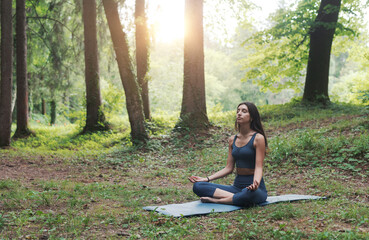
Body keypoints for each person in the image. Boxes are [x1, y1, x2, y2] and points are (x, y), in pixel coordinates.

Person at [188, 102, 268, 207]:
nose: (239, 113)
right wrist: (206, 179)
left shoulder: (258, 138)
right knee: (198, 186)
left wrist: (255, 183)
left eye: (244, 111)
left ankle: (217, 200)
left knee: (249, 193)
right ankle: (237, 198)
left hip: (255, 189)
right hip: (237, 188)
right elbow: (229, 168)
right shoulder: (232, 140)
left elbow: (258, 167)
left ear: (252, 117)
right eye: (238, 111)